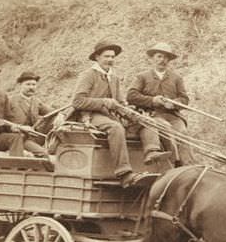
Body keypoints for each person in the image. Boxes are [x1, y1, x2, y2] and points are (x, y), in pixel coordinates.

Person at [71, 40, 170, 188]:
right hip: (90, 115)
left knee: (145, 121)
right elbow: (78, 101)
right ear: (97, 57)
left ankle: (152, 152)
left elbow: (119, 101)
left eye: (112, 57)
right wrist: (103, 102)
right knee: (116, 128)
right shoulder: (88, 75)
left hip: (111, 114)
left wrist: (129, 110)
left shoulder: (114, 77)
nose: (110, 60)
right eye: (106, 56)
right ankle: (124, 173)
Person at [126, 41, 196, 165]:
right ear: (152, 58)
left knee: (182, 133)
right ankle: (175, 163)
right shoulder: (142, 77)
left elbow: (184, 99)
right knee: (165, 129)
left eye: (166, 57)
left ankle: (189, 165)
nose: (162, 60)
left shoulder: (176, 78)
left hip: (173, 116)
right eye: (159, 56)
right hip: (152, 115)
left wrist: (174, 103)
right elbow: (131, 96)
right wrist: (152, 100)